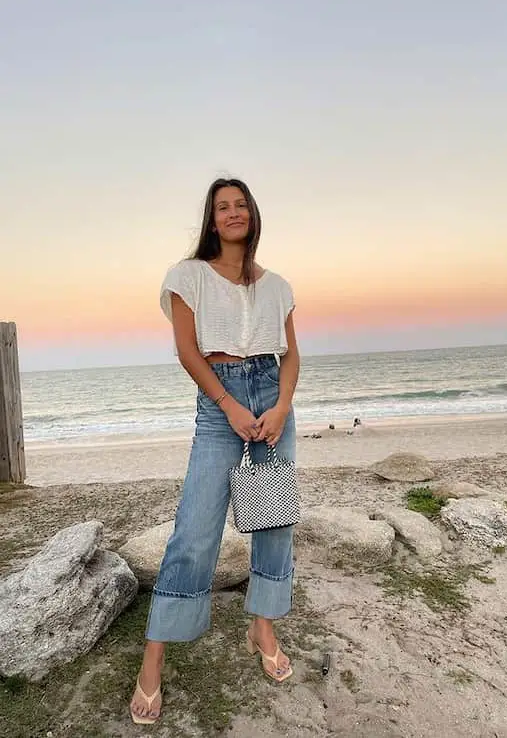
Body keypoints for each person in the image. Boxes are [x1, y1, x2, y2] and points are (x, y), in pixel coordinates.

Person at [129, 177, 300, 725]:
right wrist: (228, 404)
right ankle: (153, 658)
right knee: (196, 529)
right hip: (219, 402)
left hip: (273, 402)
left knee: (273, 521)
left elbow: (292, 356)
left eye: (240, 204)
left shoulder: (278, 286)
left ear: (252, 214)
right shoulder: (187, 277)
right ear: (211, 218)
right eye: (222, 206)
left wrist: (280, 407)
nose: (233, 213)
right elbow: (187, 351)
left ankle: (262, 627)